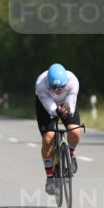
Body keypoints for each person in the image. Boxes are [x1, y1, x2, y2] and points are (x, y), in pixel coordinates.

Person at [35, 63, 81, 194]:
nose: (58, 90)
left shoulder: (73, 81)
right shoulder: (41, 85)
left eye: (61, 87)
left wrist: (67, 111)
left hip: (66, 102)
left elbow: (71, 104)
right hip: (46, 104)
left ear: (66, 82)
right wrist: (56, 111)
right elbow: (49, 107)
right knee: (48, 138)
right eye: (54, 87)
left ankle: (70, 154)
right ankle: (50, 177)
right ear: (49, 83)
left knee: (75, 131)